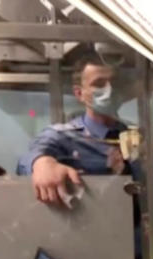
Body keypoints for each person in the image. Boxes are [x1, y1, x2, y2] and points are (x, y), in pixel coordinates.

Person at [16, 51, 128, 206]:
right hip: (89, 226)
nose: (110, 89)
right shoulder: (63, 136)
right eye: (99, 84)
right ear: (79, 93)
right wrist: (42, 163)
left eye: (114, 82)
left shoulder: (135, 135)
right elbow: (30, 156)